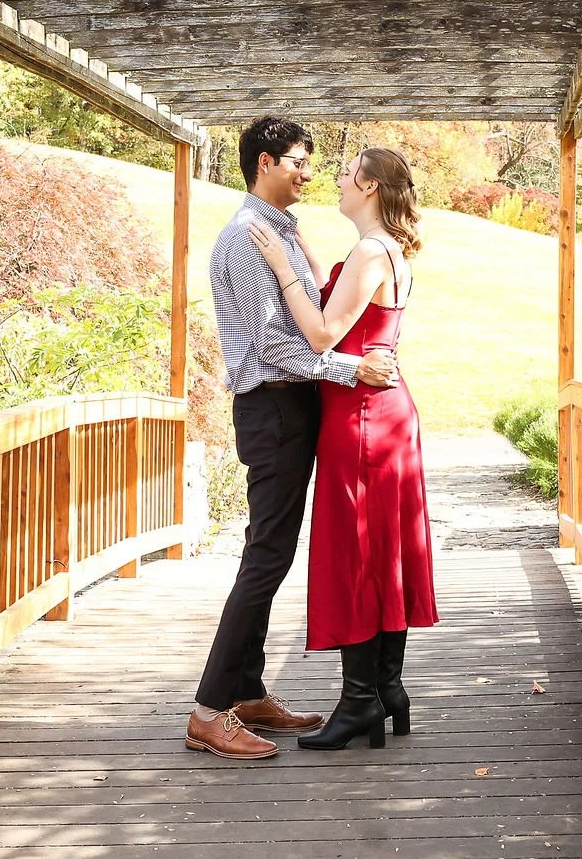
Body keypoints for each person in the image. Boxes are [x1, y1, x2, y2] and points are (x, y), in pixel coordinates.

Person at [183, 117, 402, 761]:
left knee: (272, 555)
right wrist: (350, 368)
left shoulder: (280, 231)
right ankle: (208, 708)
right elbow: (272, 344)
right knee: (266, 558)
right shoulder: (243, 242)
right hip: (271, 411)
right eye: (299, 162)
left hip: (298, 410)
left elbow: (316, 316)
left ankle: (249, 693)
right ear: (266, 163)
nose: (308, 172)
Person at [247, 146, 438, 751]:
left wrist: (279, 263)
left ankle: (359, 701)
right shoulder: (388, 248)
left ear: (369, 185)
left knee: (358, 552)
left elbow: (326, 331)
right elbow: (347, 301)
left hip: (360, 421)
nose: (333, 178)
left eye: (345, 171)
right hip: (386, 414)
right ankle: (387, 689)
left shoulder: (368, 253)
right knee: (384, 550)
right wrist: (299, 245)